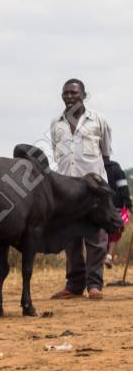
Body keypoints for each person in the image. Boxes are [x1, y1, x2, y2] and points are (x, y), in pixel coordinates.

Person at [49, 78, 113, 300]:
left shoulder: (98, 121)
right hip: (66, 190)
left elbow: (105, 155)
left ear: (83, 96)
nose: (69, 97)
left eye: (74, 93)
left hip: (93, 190)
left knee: (96, 238)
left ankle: (94, 285)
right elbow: (58, 155)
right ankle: (74, 285)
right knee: (71, 239)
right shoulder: (56, 123)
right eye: (65, 93)